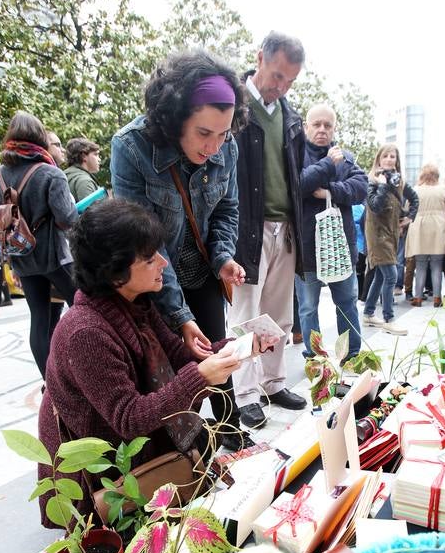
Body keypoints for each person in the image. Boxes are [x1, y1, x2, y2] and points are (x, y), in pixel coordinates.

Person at [37, 199, 274, 528]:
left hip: (138, 450)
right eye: (150, 258)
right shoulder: (85, 333)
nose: (163, 262)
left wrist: (241, 346)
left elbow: (180, 359)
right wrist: (200, 377)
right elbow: (130, 419)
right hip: (106, 474)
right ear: (115, 272)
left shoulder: (138, 303)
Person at [111, 49, 251, 452]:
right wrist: (180, 316)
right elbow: (145, 241)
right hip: (154, 275)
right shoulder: (132, 146)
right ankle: (178, 452)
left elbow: (227, 207)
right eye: (204, 133)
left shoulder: (227, 147)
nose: (214, 146)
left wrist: (223, 256)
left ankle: (231, 429)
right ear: (174, 119)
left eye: (224, 134)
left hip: (203, 269)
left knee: (217, 352)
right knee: (167, 370)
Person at [230, 31, 307, 428]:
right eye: (277, 75)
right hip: (247, 227)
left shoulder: (290, 116)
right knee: (246, 315)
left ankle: (274, 382)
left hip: (286, 227)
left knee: (279, 314)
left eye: (290, 80)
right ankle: (244, 393)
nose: (281, 86)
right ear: (259, 58)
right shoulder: (235, 108)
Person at [0, 111, 78, 376]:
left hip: (22, 257)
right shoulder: (50, 173)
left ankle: (50, 381)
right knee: (87, 310)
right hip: (55, 257)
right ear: (39, 138)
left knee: (39, 319)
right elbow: (68, 219)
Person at [295, 103, 368, 357]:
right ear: (306, 127)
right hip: (305, 248)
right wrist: (327, 165)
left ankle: (352, 355)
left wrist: (330, 191)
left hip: (340, 247)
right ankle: (315, 358)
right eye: (317, 124)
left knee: (346, 303)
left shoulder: (345, 157)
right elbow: (298, 185)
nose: (322, 130)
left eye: (328, 125)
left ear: (334, 128)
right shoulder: (295, 155)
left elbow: (361, 188)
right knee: (307, 307)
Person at [363, 144, 418, 335]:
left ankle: (369, 313)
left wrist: (410, 216)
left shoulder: (399, 181)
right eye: (385, 156)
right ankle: (389, 318)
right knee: (391, 276)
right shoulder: (372, 181)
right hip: (378, 236)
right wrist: (383, 185)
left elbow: (414, 198)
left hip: (392, 234)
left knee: (380, 275)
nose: (389, 159)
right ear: (378, 159)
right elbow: (375, 206)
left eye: (392, 156)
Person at [405, 163, 445, 307]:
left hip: (419, 230)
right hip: (438, 230)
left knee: (420, 265)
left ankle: (418, 298)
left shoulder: (416, 190)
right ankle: (437, 298)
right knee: (437, 265)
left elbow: (408, 209)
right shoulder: (442, 190)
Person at [65, 137, 101, 202]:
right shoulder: (85, 181)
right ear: (84, 156)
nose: (99, 159)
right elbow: (91, 211)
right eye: (96, 154)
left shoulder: (64, 175)